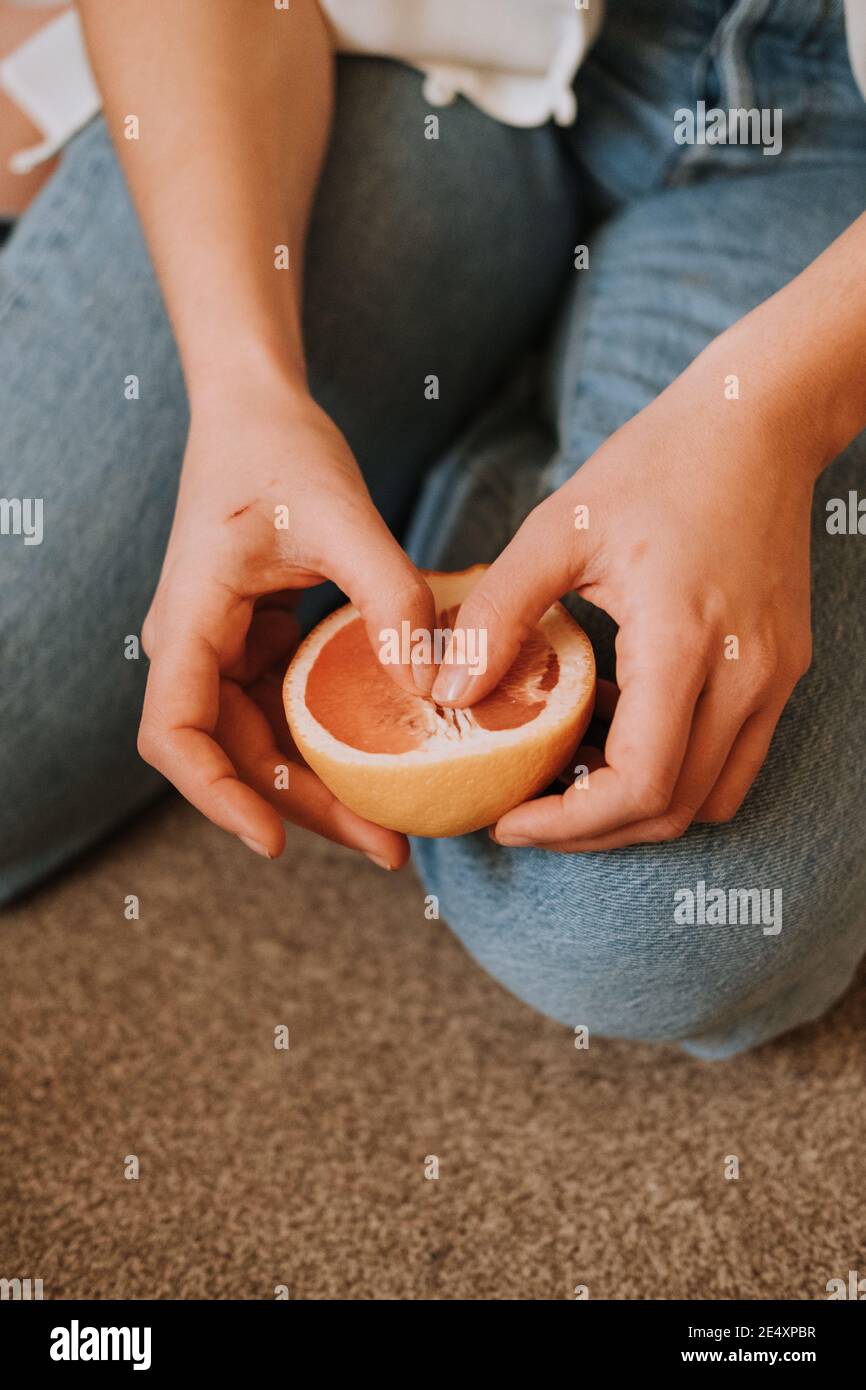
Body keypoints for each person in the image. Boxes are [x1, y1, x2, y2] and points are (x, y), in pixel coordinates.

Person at [1, 0, 864, 1058]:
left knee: (642, 926)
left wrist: (773, 419)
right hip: (412, 42)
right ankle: (508, 419)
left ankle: (498, 455)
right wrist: (242, 392)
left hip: (830, 172)